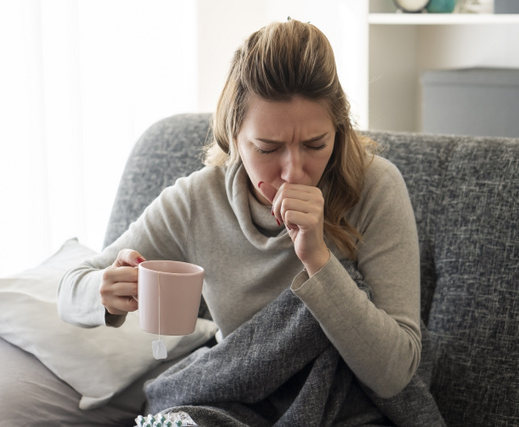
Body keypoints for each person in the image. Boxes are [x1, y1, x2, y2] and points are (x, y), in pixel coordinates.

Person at [58, 18, 424, 421]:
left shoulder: (375, 187)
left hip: (343, 408)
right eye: (268, 148)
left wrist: (319, 260)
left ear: (338, 131)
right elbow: (69, 289)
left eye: (315, 144)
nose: (293, 171)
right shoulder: (198, 200)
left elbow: (395, 374)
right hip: (236, 404)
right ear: (233, 136)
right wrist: (104, 291)